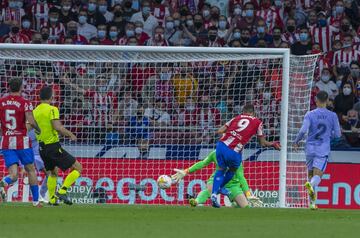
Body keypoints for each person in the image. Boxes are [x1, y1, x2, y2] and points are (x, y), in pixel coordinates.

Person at [210, 104, 281, 208]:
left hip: (221, 145)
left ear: (243, 111)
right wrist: (272, 144)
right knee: (233, 170)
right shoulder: (258, 122)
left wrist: (232, 134)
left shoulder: (236, 118)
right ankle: (220, 187)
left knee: (221, 169)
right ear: (253, 112)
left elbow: (220, 131)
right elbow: (262, 143)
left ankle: (214, 194)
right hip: (234, 150)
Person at [33, 86, 82, 205]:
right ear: (51, 96)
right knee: (78, 167)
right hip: (52, 146)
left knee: (53, 172)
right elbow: (57, 127)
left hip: (42, 147)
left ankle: (52, 199)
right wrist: (70, 134)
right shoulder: (52, 109)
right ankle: (62, 191)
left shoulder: (34, 111)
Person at [294, 91, 342, 210]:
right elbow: (338, 135)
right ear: (327, 101)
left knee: (311, 175)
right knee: (317, 176)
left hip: (309, 149)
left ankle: (312, 203)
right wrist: (329, 134)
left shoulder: (310, 114)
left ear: (316, 100)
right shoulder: (332, 116)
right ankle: (311, 185)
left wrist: (296, 141)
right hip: (322, 149)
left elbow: (303, 130)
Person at [0, 78, 41, 207]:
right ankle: (35, 201)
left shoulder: (1, 102)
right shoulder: (25, 102)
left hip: (7, 141)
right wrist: (38, 129)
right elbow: (31, 120)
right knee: (30, 170)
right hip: (22, 141)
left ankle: (3, 183)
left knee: (13, 175)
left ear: (9, 87)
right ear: (21, 87)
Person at [171, 150, 263, 208]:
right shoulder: (215, 153)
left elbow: (241, 177)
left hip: (233, 185)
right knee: (210, 189)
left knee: (245, 208)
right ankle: (196, 201)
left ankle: (235, 204)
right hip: (217, 179)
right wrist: (186, 171)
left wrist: (248, 194)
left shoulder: (236, 159)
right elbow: (202, 163)